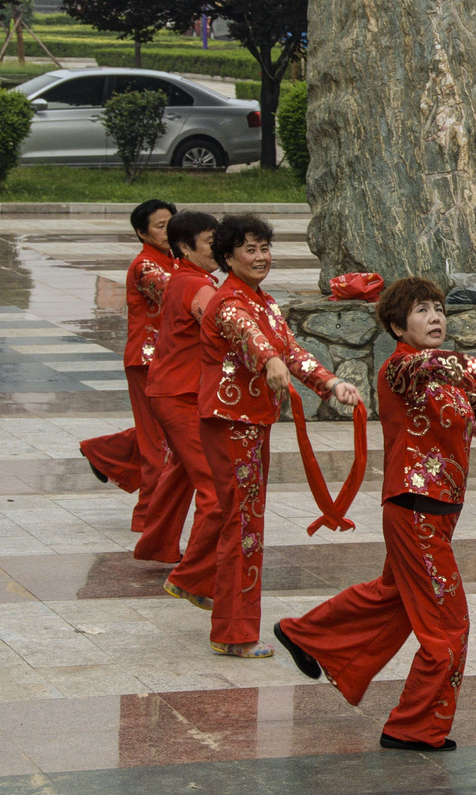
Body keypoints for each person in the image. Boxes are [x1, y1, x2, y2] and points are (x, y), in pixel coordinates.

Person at [276, 277, 476, 753]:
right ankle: (413, 725)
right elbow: (436, 363)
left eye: (439, 309)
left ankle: (307, 635)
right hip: (414, 510)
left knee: (393, 597)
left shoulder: (451, 377)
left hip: (437, 513)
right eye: (422, 311)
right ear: (396, 326)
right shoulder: (402, 369)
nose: (435, 318)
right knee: (449, 625)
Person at [198, 215, 362, 657]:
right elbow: (250, 338)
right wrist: (269, 361)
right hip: (233, 422)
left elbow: (291, 351)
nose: (260, 257)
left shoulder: (263, 300)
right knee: (243, 524)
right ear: (228, 256)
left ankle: (221, 615)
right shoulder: (230, 301)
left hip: (250, 422)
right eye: (249, 249)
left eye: (264, 248)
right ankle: (234, 633)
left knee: (241, 519)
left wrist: (329, 383)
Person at [80, 198, 193, 553]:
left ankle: (102, 453)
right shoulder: (146, 266)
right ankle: (149, 518)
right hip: (148, 362)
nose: (168, 231)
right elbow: (178, 295)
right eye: (160, 226)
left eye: (171, 224)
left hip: (176, 361)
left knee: (165, 429)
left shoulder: (177, 260)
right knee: (159, 439)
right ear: (142, 233)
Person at [141, 209, 221, 608]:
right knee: (216, 490)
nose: (219, 250)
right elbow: (226, 329)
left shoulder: (188, 278)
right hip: (180, 396)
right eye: (211, 243)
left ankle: (156, 544)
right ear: (186, 247)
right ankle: (192, 577)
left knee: (180, 475)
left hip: (173, 390)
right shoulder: (196, 286)